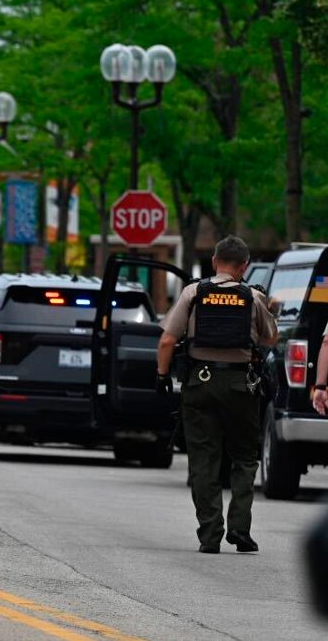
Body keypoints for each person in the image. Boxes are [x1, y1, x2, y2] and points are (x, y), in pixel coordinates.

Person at [156, 235, 277, 554]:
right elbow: (270, 339)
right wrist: (269, 308)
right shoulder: (252, 296)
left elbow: (167, 341)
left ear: (214, 261)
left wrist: (162, 376)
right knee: (245, 458)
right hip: (240, 386)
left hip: (201, 382)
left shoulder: (194, 292)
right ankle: (240, 528)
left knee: (203, 460)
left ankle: (209, 534)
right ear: (244, 266)